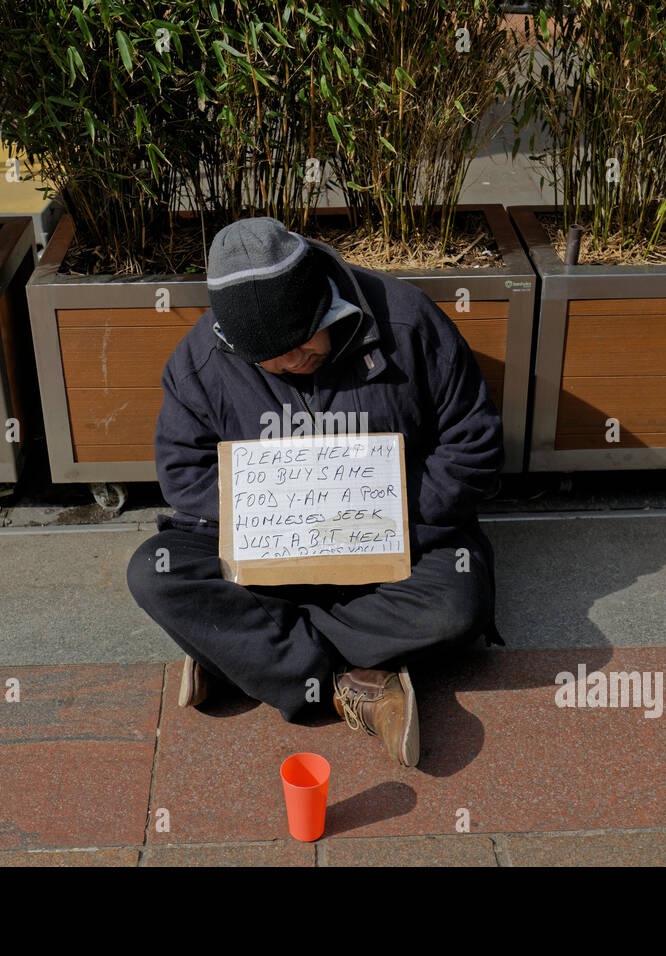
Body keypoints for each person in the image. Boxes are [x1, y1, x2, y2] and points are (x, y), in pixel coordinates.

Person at [126, 216, 504, 768]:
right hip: (268, 549)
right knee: (155, 573)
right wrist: (274, 523)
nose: (289, 364)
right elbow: (184, 474)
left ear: (328, 304)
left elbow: (473, 448)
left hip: (396, 538)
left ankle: (243, 655)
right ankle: (353, 681)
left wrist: (383, 516)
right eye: (270, 360)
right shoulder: (200, 358)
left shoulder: (408, 319)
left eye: (301, 345)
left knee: (459, 603)